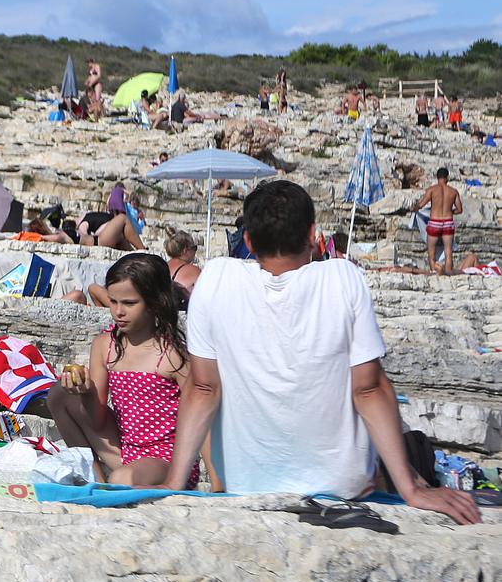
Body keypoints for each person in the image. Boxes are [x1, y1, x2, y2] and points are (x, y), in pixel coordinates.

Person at [165, 180, 479, 524]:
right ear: (313, 235)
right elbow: (369, 389)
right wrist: (411, 489)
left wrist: (173, 485)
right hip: (341, 484)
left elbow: (203, 388)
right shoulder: (343, 278)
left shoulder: (216, 278)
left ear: (249, 241)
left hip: (247, 483)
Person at [47, 254, 210, 488]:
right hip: (125, 448)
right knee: (58, 394)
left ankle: (114, 484)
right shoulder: (104, 346)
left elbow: (201, 414)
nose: (118, 311)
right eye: (113, 301)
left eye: (129, 303)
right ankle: (95, 480)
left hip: (166, 459)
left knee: (122, 478)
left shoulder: (172, 355)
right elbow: (97, 419)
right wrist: (85, 392)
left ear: (155, 302)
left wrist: (217, 483)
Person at [412, 166, 463, 275]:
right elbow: (459, 210)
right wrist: (450, 212)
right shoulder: (453, 192)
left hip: (435, 222)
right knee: (448, 251)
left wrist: (414, 209)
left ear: (437, 177)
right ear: (447, 177)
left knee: (431, 252)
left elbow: (421, 205)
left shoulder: (431, 190)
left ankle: (434, 273)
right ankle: (448, 273)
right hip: (448, 222)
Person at [164, 230, 201, 303]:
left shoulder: (161, 266)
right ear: (185, 250)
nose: (195, 252)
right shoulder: (194, 271)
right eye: (194, 248)